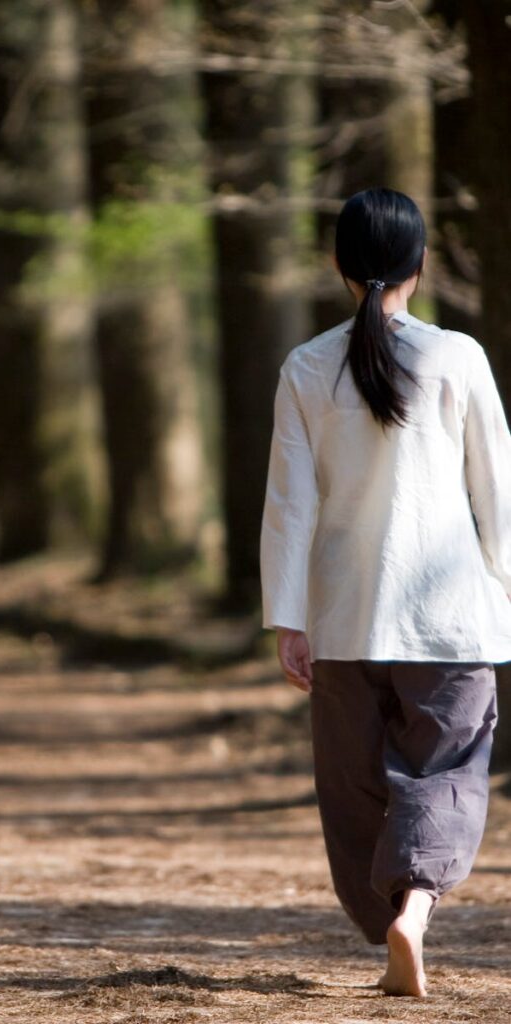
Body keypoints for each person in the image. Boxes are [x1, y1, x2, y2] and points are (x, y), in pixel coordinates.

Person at [259, 186, 511, 998]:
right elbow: (496, 490)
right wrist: (501, 586)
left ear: (336, 264)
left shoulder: (304, 367)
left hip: (341, 618)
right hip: (449, 620)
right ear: (420, 263)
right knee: (444, 773)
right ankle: (416, 908)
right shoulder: (456, 357)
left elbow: (289, 505)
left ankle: (388, 921)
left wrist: (285, 618)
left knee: (353, 786)